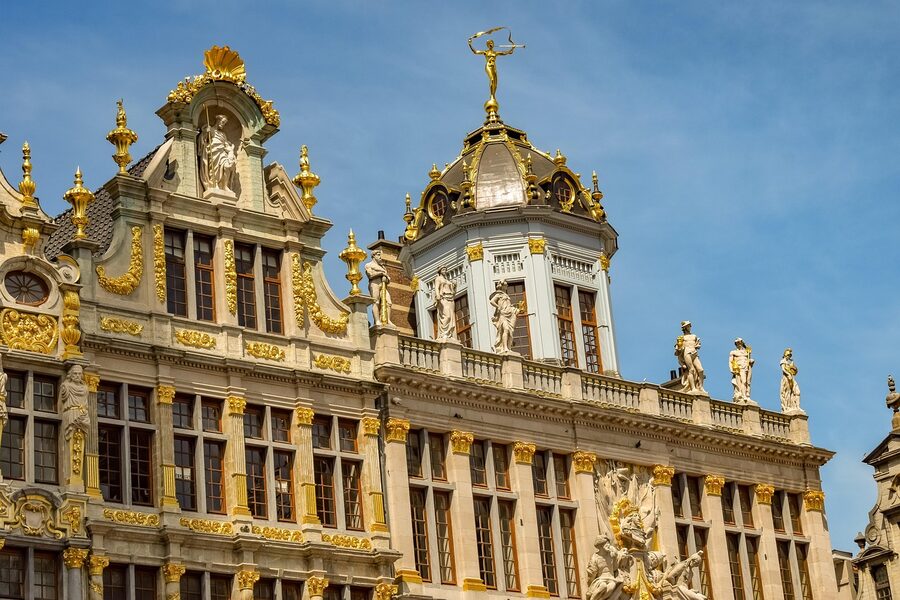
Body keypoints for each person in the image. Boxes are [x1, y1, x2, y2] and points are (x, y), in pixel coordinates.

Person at [199, 114, 238, 192]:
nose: (223, 125)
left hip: (222, 152)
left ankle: (225, 186)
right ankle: (214, 183)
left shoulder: (223, 134)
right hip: (213, 151)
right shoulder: (211, 129)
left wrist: (231, 150)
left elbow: (226, 144)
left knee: (227, 166)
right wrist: (205, 133)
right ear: (218, 121)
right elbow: (203, 140)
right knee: (214, 168)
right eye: (223, 122)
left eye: (225, 123)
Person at [674, 321, 706, 394]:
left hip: (694, 353)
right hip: (687, 353)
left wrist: (697, 345)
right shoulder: (681, 337)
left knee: (701, 370)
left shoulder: (694, 336)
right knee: (691, 370)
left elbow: (697, 345)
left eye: (690, 326)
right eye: (688, 326)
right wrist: (678, 347)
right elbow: (678, 349)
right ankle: (693, 388)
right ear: (685, 328)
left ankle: (700, 387)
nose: (690, 327)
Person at [365, 250, 393, 327]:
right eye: (378, 255)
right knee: (376, 302)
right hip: (374, 284)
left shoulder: (383, 267)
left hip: (383, 285)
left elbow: (388, 278)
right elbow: (370, 275)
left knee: (389, 303)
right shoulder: (369, 265)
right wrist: (381, 274)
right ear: (373, 256)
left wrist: (386, 279)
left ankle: (388, 320)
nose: (380, 257)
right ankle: (377, 320)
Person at [490, 280, 519, 353]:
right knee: (505, 329)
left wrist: (513, 309)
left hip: (510, 313)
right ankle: (505, 347)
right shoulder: (499, 294)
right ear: (502, 286)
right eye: (505, 285)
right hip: (503, 314)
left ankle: (508, 348)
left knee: (510, 331)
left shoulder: (506, 295)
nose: (507, 286)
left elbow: (507, 304)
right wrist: (498, 307)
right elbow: (492, 301)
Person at [434, 267, 457, 341]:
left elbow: (453, 292)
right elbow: (436, 288)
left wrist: (454, 285)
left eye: (445, 270)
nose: (445, 271)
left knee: (451, 316)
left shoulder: (447, 280)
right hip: (443, 298)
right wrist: (437, 295)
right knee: (447, 316)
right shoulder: (438, 279)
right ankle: (444, 333)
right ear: (440, 271)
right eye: (443, 270)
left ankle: (449, 334)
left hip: (450, 298)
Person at [729, 338, 755, 403]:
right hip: (740, 368)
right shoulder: (733, 352)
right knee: (743, 381)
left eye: (740, 343)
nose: (739, 344)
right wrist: (731, 369)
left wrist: (751, 361)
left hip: (748, 367)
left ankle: (747, 395)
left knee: (748, 382)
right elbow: (730, 361)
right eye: (737, 343)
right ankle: (744, 396)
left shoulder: (747, 352)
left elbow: (749, 359)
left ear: (742, 343)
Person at [780, 348, 803, 413]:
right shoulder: (782, 361)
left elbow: (794, 370)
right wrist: (788, 374)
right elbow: (783, 369)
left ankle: (797, 407)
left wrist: (792, 362)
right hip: (786, 378)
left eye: (790, 355)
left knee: (797, 391)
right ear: (785, 355)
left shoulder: (789, 362)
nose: (789, 356)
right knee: (787, 392)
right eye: (788, 355)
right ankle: (787, 407)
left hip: (792, 378)